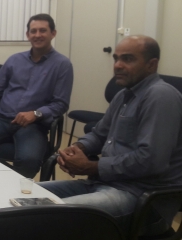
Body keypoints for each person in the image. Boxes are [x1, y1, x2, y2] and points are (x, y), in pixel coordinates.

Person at [40, 35, 182, 235]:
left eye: (128, 59)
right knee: (24, 199)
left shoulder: (160, 96)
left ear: (152, 65)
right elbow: (99, 134)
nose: (118, 65)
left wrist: (91, 167)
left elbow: (151, 160)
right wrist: (78, 149)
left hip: (142, 198)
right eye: (116, 59)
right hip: (104, 185)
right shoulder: (123, 95)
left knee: (43, 217)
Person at [0, 13, 74, 178]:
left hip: (33, 126)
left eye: (43, 30)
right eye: (33, 31)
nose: (37, 35)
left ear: (53, 33)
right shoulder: (14, 60)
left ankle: (14, 192)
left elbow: (61, 104)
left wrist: (36, 114)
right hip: (2, 119)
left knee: (29, 160)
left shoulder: (62, 65)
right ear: (28, 35)